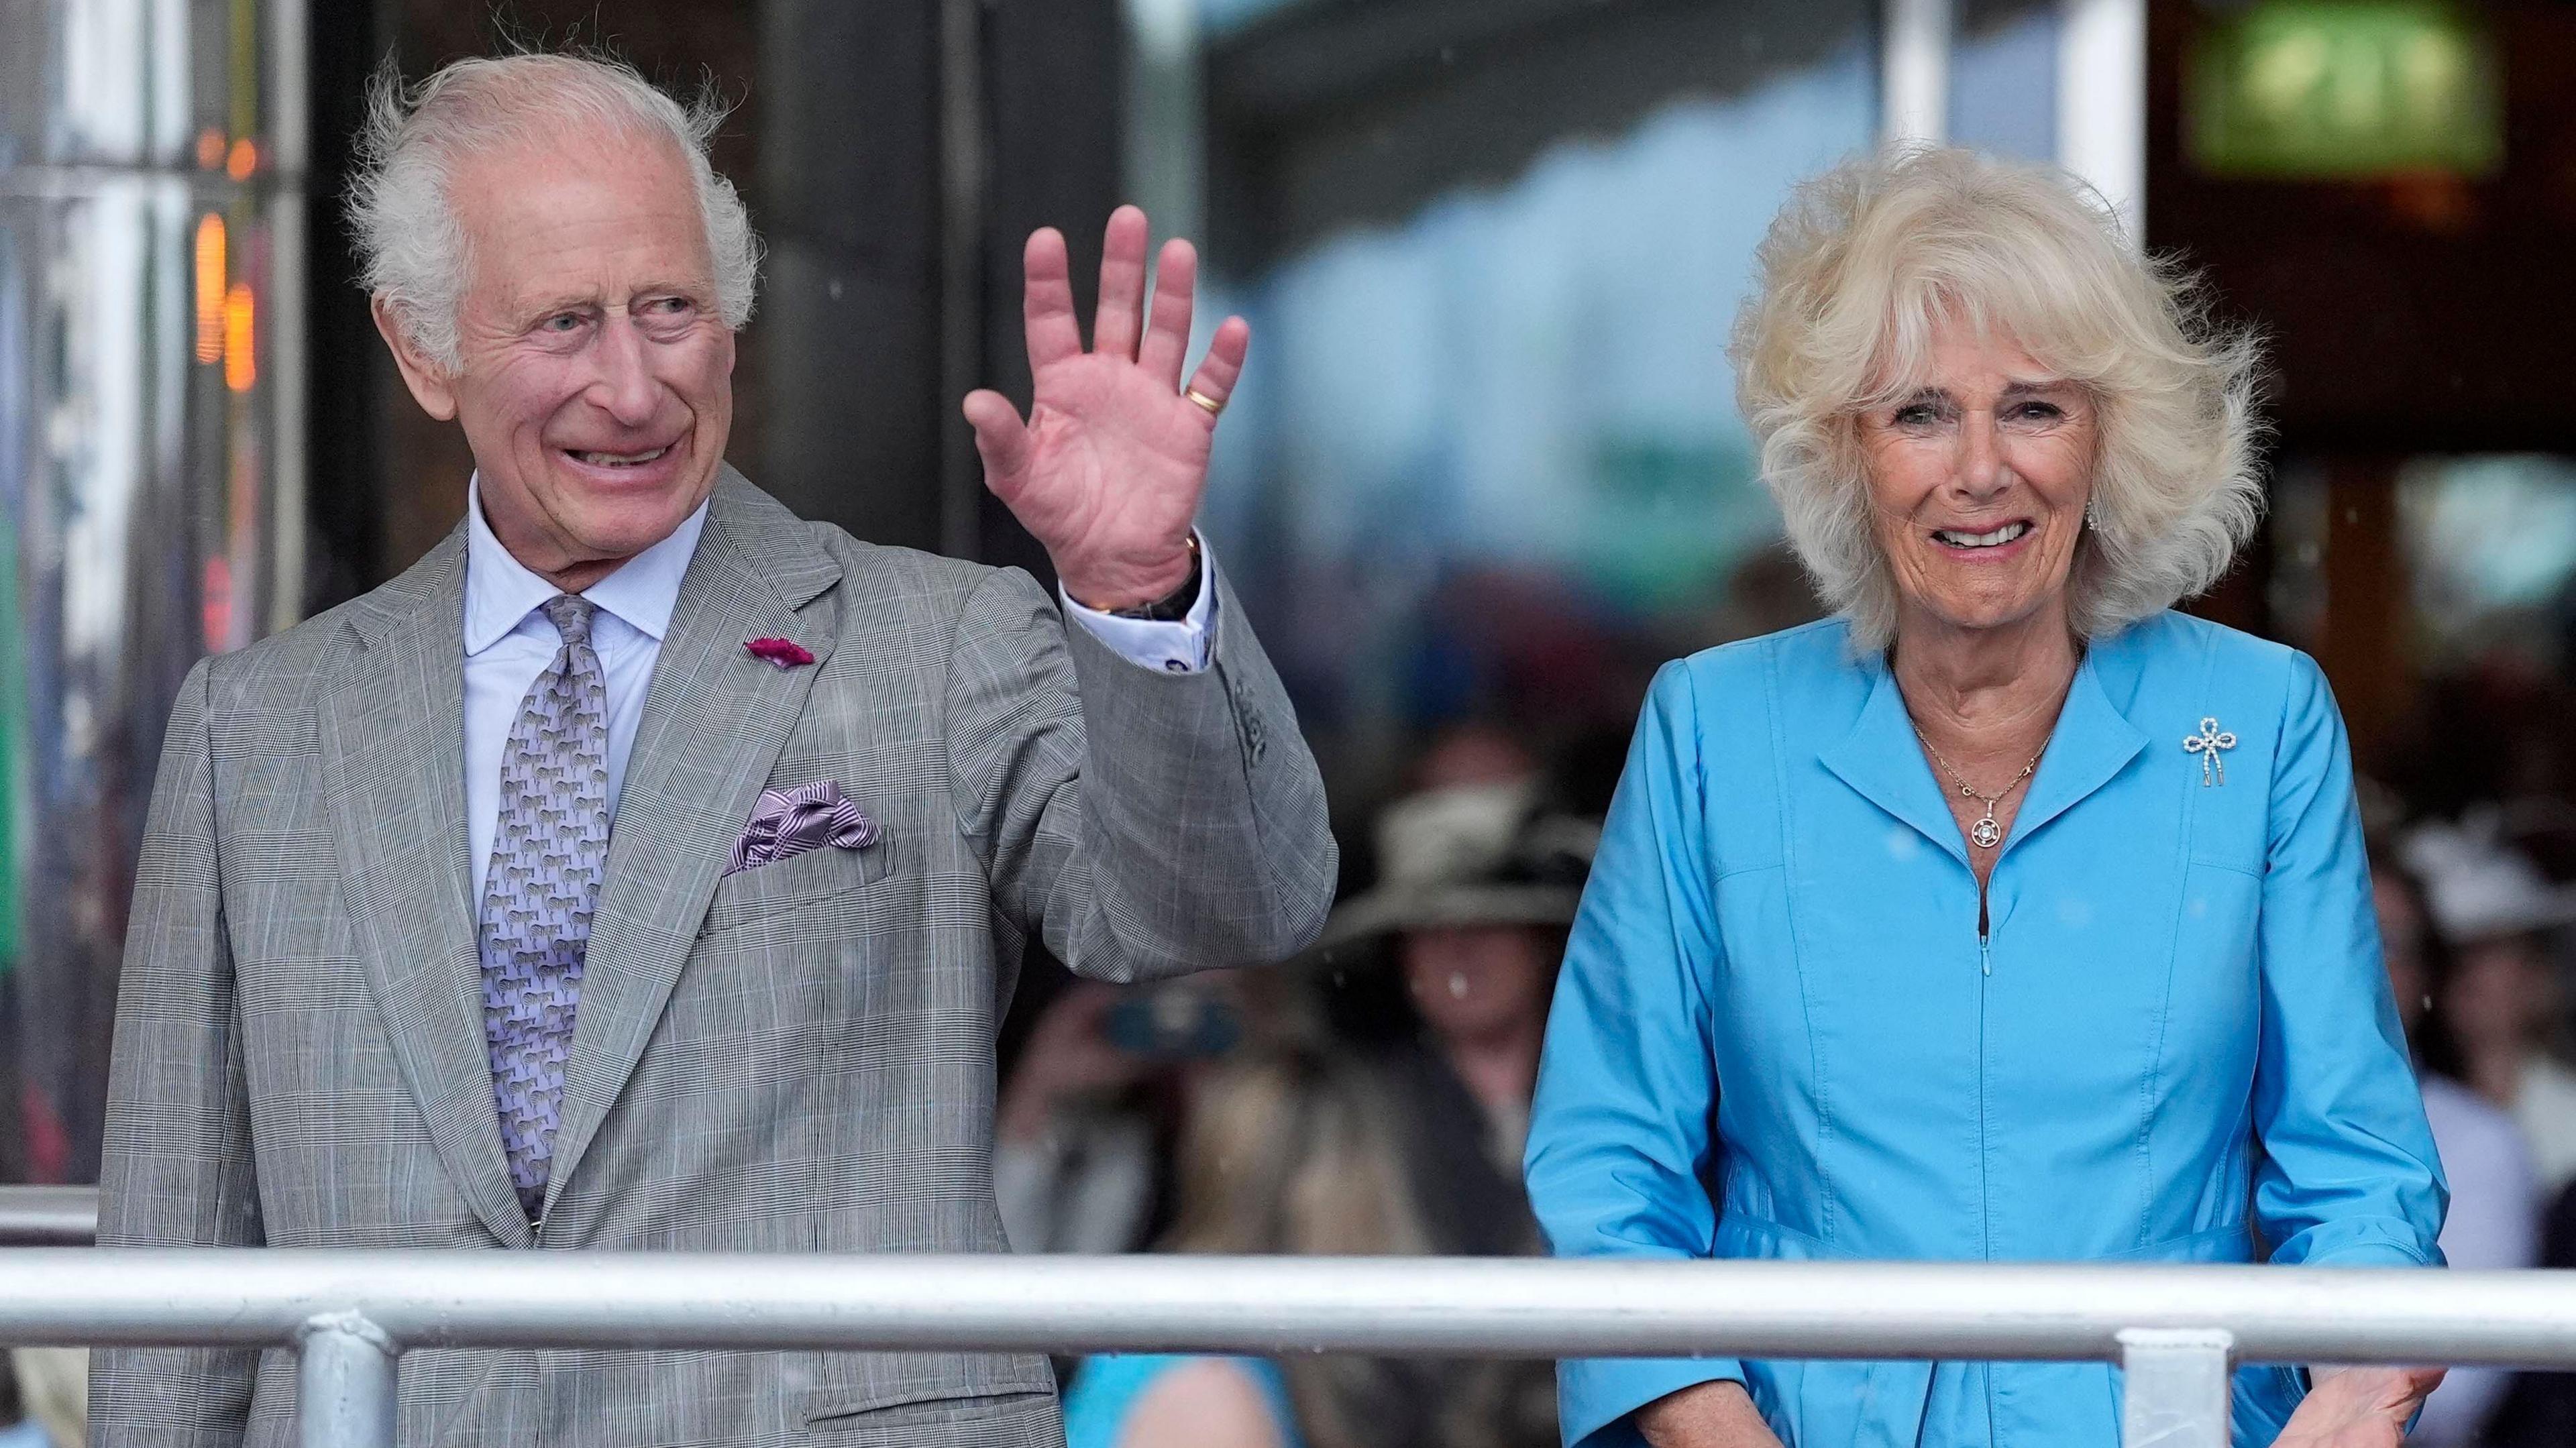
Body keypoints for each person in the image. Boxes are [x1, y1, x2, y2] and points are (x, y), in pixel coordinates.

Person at [87, 50, 1335, 1447]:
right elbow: (173, 1278)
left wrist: (1137, 594)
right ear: (422, 351)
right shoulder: (256, 727)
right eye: (563, 322)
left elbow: (1223, 905)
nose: (631, 387)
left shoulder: (938, 644)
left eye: (668, 307)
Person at [1523, 144, 2447, 1448]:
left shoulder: (2259, 719)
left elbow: (2358, 1165)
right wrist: (1714, 1425)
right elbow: (1611, 1171)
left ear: (2108, 435)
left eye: (2033, 407)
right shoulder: (1711, 731)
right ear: (1845, 452)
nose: (1978, 470)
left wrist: (2354, 1392)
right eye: (1917, 413)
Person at [1061, 1043, 1549, 1448]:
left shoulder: (1228, 1353)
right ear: (1329, 1195)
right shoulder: (1209, 1392)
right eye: (1384, 1178)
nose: (1398, 1205)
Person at [2371, 849, 2536, 1446]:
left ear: (2427, 980)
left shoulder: (2479, 1141)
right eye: (2338, 932)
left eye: (2387, 941)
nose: (2358, 960)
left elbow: (2456, 1393)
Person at [2402, 813, 2576, 1197]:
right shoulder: (2403, 1109)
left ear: (2539, 972)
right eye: (2448, 952)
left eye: (2489, 949)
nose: (2464, 970)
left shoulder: (2570, 1119)